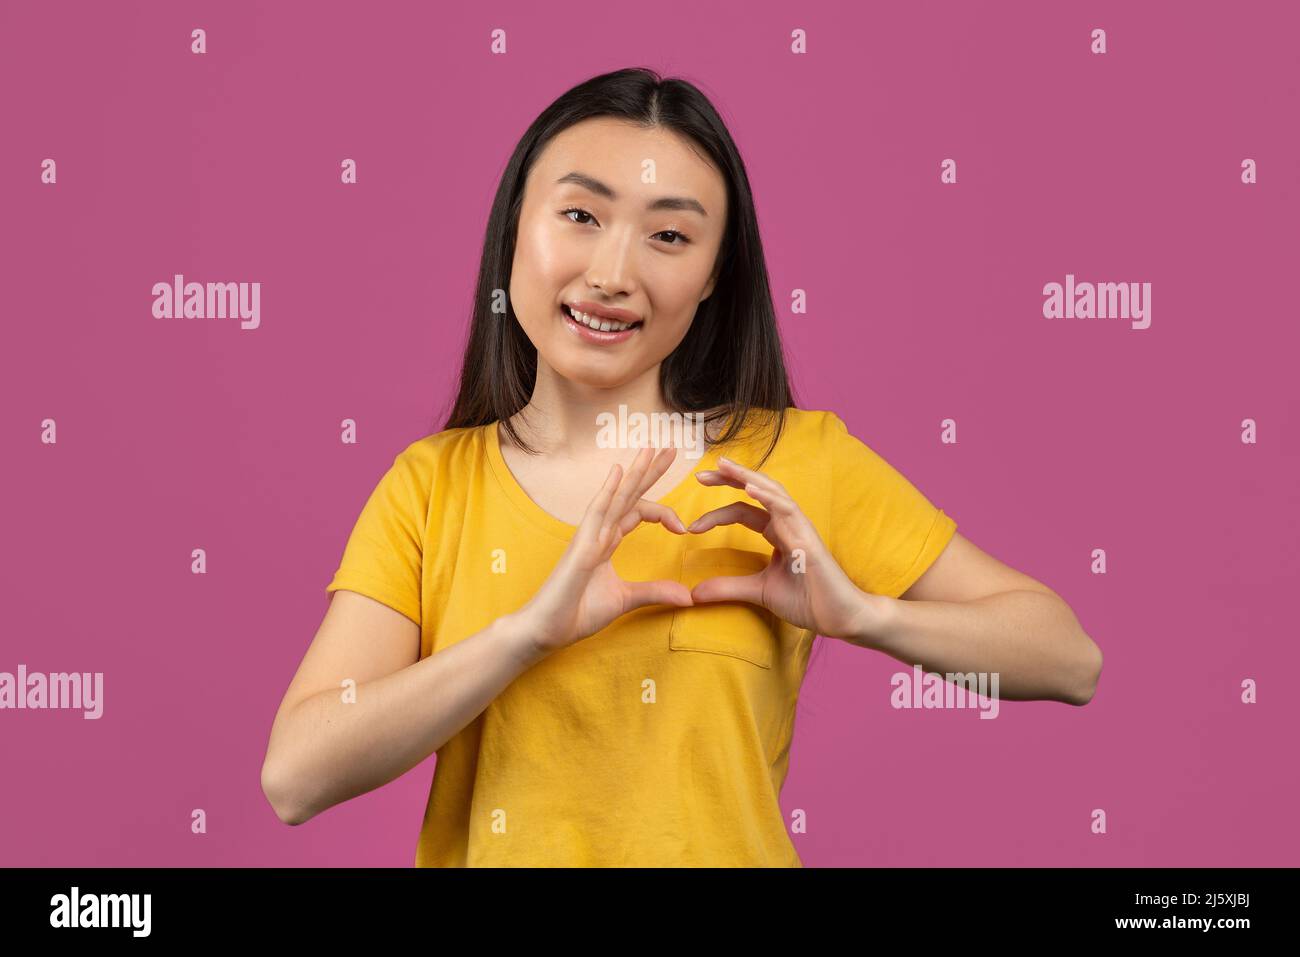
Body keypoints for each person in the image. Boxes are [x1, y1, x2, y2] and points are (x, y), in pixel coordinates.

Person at [260, 67, 1103, 867]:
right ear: (516, 224)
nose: (613, 274)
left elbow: (1068, 660)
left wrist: (864, 613)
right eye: (581, 216)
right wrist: (521, 636)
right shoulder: (432, 485)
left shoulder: (794, 462)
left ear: (710, 280)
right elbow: (297, 777)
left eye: (669, 235)